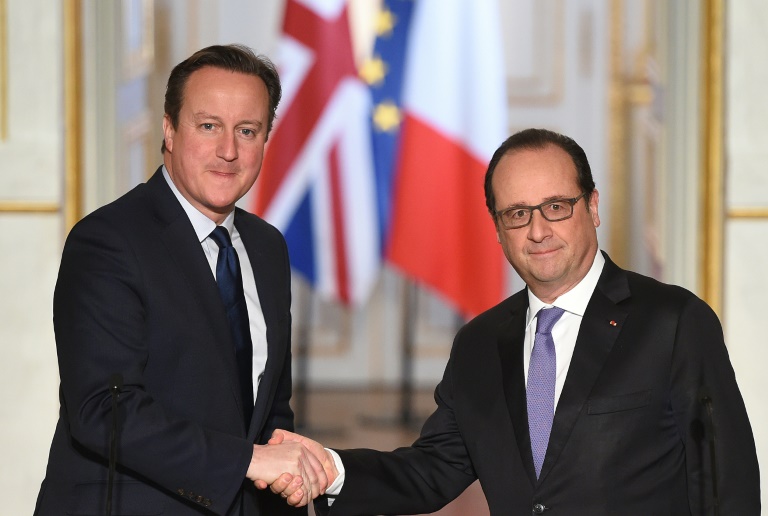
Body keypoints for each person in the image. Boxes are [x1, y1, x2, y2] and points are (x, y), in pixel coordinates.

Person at [266, 128, 761, 515]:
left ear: (592, 207)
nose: (539, 230)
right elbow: (434, 469)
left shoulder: (672, 322)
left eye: (556, 207)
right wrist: (331, 470)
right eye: (518, 214)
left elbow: (723, 483)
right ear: (498, 231)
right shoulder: (479, 344)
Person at [34, 44, 328, 516]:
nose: (228, 151)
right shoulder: (107, 242)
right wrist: (250, 461)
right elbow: (105, 414)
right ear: (169, 130)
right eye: (208, 125)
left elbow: (270, 414)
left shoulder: (267, 247)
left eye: (247, 131)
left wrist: (290, 479)